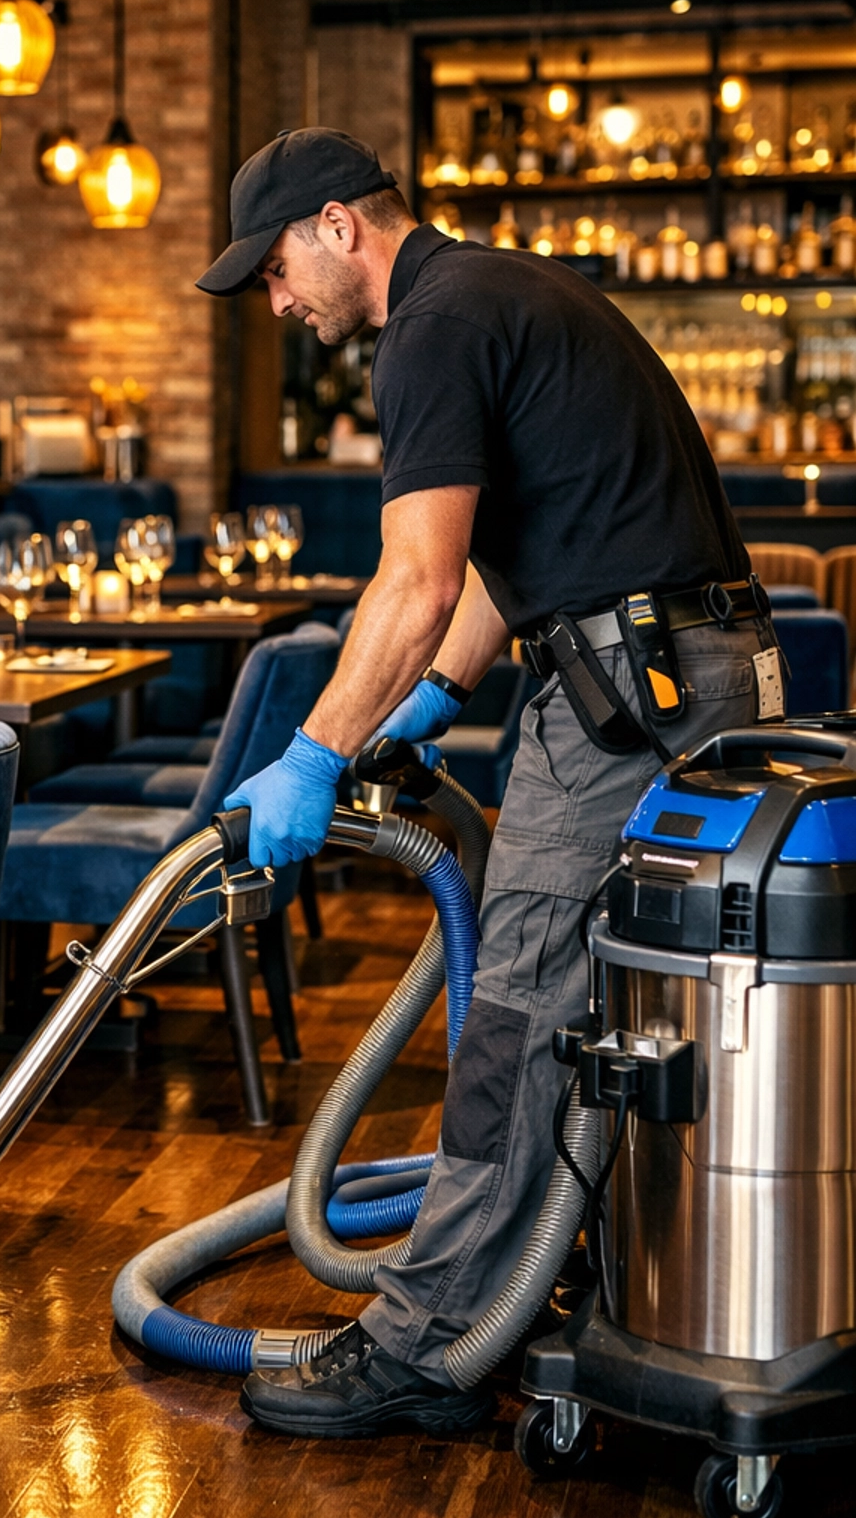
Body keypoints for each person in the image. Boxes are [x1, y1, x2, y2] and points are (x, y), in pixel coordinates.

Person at [198, 128, 781, 1439]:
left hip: (636, 689)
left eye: (279, 270)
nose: (280, 305)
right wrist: (439, 698)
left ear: (342, 225)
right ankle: (584, 1276)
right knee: (636, 999)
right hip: (691, 666)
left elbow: (420, 578)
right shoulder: (503, 293)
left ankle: (426, 1342)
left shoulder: (431, 329)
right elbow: (520, 556)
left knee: (517, 994)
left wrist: (314, 753)